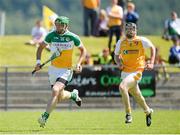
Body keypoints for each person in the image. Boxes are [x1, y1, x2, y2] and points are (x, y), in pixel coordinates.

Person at [34, 16, 86, 127]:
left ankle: (44, 117)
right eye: (56, 25)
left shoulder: (73, 37)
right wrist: (38, 62)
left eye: (60, 25)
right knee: (59, 96)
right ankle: (73, 95)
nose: (58, 27)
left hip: (66, 70)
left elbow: (83, 51)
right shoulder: (51, 35)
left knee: (55, 90)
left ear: (66, 26)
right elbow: (40, 48)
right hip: (53, 70)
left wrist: (79, 63)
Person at [114, 22, 156, 126]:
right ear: (125, 30)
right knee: (137, 95)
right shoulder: (121, 42)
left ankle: (128, 114)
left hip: (137, 71)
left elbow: (152, 48)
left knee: (123, 87)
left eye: (132, 29)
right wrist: (118, 63)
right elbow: (116, 55)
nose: (130, 31)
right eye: (128, 29)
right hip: (125, 72)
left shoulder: (141, 40)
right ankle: (147, 111)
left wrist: (151, 62)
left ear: (135, 30)